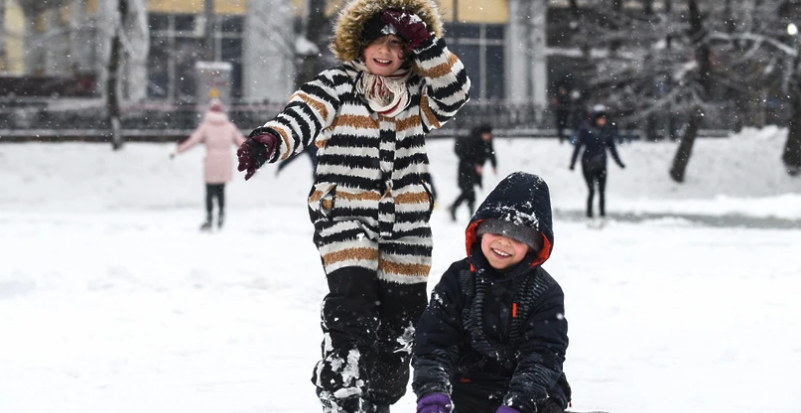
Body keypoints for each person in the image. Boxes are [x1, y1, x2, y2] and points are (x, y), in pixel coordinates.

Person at [235, 1, 471, 412]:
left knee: (402, 322)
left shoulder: (419, 93)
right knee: (354, 301)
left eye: (397, 45)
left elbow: (456, 93)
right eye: (377, 42)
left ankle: (379, 395)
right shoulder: (338, 84)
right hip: (344, 213)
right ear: (359, 46)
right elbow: (303, 115)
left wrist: (428, 44)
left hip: (407, 223)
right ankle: (342, 381)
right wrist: (269, 142)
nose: (386, 52)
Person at [412, 172, 571, 413]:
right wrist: (433, 392)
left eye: (518, 237)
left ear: (533, 246)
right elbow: (435, 342)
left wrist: (518, 404)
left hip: (530, 395)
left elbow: (542, 356)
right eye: (496, 230)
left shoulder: (545, 293)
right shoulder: (457, 278)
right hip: (467, 386)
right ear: (481, 231)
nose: (504, 243)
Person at [171, 99, 245, 231]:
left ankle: (209, 219)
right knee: (221, 191)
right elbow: (242, 143)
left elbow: (193, 141)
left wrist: (178, 150)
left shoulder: (206, 126)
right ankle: (221, 214)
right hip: (225, 163)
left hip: (211, 162)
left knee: (210, 192)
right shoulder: (229, 126)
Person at [569, 106, 625, 218]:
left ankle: (602, 213)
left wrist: (619, 162)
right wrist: (573, 163)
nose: (602, 121)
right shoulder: (585, 129)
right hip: (588, 164)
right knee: (591, 190)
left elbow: (612, 148)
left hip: (601, 164)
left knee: (602, 191)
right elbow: (578, 147)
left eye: (604, 119)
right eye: (600, 119)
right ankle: (589, 214)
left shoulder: (607, 130)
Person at [449, 124, 497, 221]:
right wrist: (475, 165)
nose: (488, 137)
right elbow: (466, 156)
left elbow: (490, 153)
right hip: (465, 170)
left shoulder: (486, 141)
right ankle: (455, 208)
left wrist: (494, 165)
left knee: (470, 193)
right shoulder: (472, 140)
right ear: (482, 134)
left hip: (474, 172)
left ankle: (464, 212)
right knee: (468, 192)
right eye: (486, 135)